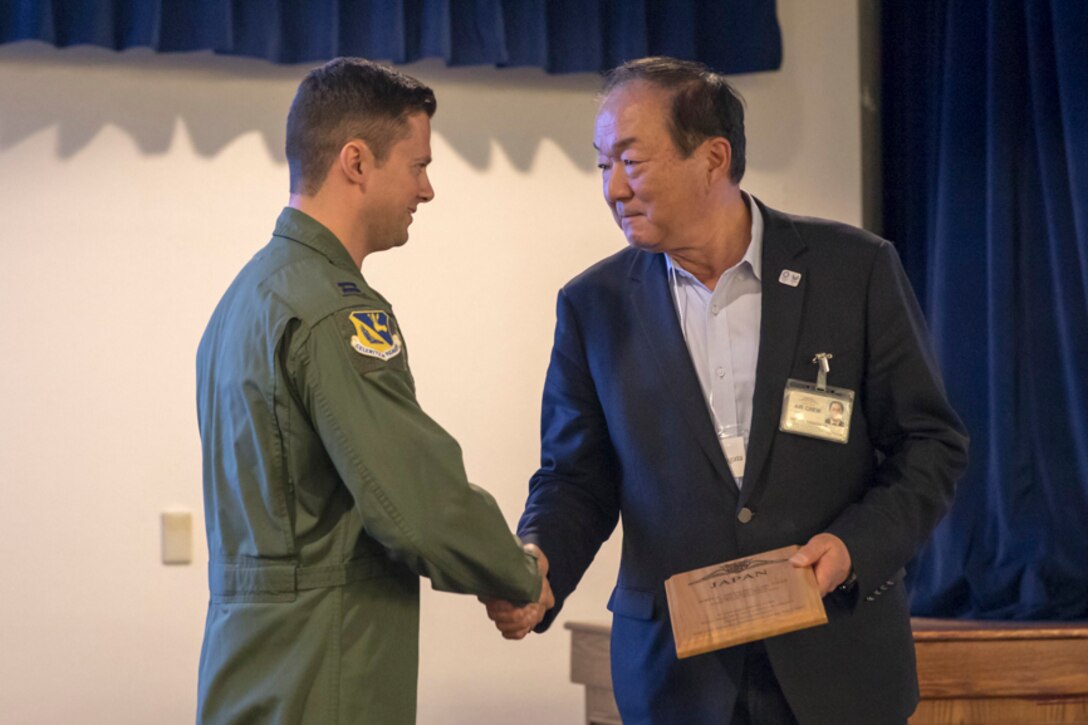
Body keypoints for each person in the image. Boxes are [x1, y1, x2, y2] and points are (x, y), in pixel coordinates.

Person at [483, 57, 968, 724]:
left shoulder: (853, 271)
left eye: (632, 160)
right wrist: (538, 562)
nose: (614, 188)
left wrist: (855, 546)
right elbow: (575, 479)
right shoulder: (594, 306)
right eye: (603, 165)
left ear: (713, 158)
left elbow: (929, 445)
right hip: (675, 681)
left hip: (839, 668)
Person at [196, 58, 551, 725]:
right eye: (417, 165)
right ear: (357, 162)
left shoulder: (244, 299)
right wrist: (519, 572)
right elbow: (414, 501)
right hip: (326, 667)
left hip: (248, 665)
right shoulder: (335, 310)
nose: (428, 190)